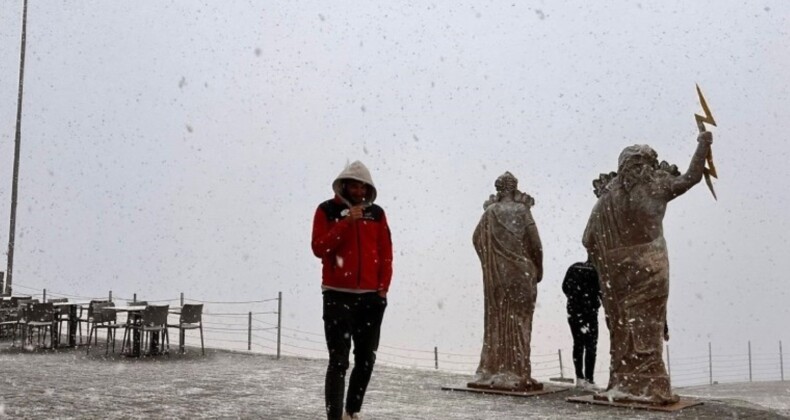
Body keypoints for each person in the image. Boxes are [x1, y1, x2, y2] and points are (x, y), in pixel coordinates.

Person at [582, 131, 713, 403]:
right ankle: (649, 385)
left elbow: (588, 239)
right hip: (650, 267)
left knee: (623, 327)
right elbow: (691, 177)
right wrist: (703, 145)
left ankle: (624, 382)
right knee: (647, 326)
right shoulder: (656, 187)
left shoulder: (606, 200)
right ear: (645, 166)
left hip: (617, 275)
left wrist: (609, 263)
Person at [311, 161, 393, 420]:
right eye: (354, 185)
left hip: (370, 298)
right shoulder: (326, 210)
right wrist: (346, 222)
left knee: (366, 358)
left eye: (363, 186)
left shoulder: (377, 214)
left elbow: (386, 253)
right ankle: (334, 417)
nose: (359, 191)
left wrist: (382, 290)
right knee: (338, 361)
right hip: (337, 295)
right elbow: (319, 248)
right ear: (344, 185)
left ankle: (351, 412)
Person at [469, 171, 544, 391]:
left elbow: (475, 239)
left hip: (497, 276)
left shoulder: (490, 213)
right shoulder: (522, 211)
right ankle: (516, 370)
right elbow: (535, 243)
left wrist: (491, 258)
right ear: (514, 188)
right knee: (519, 323)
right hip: (521, 273)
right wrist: (537, 267)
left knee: (498, 321)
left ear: (498, 189)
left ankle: (494, 369)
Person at [561, 259, 601, 389]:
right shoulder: (597, 270)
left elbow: (564, 287)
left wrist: (574, 299)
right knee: (591, 345)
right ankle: (589, 379)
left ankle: (579, 377)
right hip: (590, 312)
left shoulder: (574, 267)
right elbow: (602, 292)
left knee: (578, 343)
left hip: (574, 312)